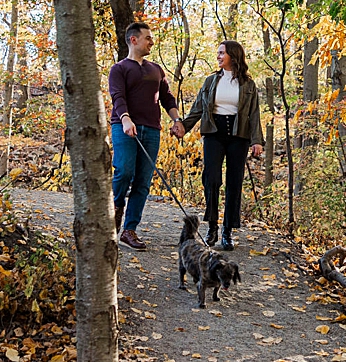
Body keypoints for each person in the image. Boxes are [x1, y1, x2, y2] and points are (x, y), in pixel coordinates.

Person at [178, 40, 265, 251]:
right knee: (212, 180)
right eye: (217, 53)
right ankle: (212, 227)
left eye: (221, 53)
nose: (218, 56)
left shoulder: (248, 85)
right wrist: (183, 127)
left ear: (233, 56)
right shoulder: (210, 81)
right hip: (214, 133)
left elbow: (254, 114)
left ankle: (227, 231)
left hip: (239, 135)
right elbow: (198, 109)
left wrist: (257, 141)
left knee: (234, 183)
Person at [109, 22, 183, 249]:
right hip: (124, 127)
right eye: (148, 38)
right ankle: (116, 207)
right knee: (124, 171)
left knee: (142, 181)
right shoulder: (119, 69)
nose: (151, 41)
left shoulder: (156, 70)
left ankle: (129, 230)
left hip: (151, 129)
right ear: (134, 40)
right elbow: (117, 96)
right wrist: (125, 119)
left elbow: (167, 98)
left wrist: (177, 120)